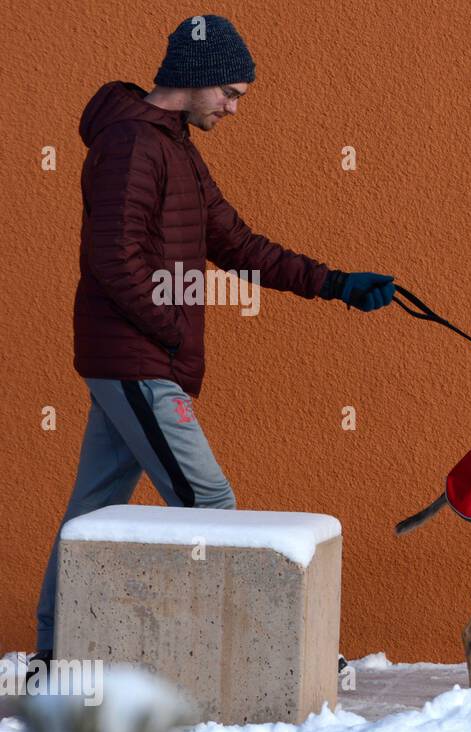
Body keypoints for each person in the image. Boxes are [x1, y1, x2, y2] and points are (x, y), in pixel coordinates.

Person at [29, 14, 394, 682]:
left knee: (91, 510)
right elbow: (113, 258)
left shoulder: (174, 148)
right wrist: (170, 330)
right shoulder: (135, 145)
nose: (232, 107)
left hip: (135, 360)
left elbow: (237, 244)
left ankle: (53, 656)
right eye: (230, 93)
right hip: (138, 361)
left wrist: (338, 284)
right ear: (194, 81)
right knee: (210, 503)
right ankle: (280, 656)